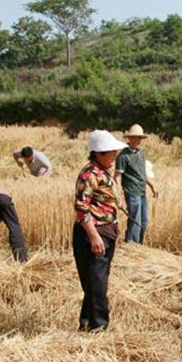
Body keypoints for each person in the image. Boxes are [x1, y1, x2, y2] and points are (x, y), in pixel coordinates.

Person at [73, 130, 127, 332]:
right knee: (96, 282)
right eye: (108, 153)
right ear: (97, 153)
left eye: (114, 152)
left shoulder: (104, 172)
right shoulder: (89, 174)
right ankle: (99, 326)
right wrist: (94, 236)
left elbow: (104, 195)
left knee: (97, 279)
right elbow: (81, 208)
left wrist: (116, 203)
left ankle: (86, 322)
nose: (113, 156)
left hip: (108, 230)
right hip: (93, 234)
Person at [114, 124, 159, 244]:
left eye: (139, 138)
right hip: (132, 192)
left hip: (142, 191)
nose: (137, 140)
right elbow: (117, 177)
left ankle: (139, 245)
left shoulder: (140, 153)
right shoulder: (123, 156)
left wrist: (152, 185)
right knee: (135, 222)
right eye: (134, 137)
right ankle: (131, 246)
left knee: (144, 222)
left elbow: (143, 173)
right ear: (129, 138)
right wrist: (119, 196)